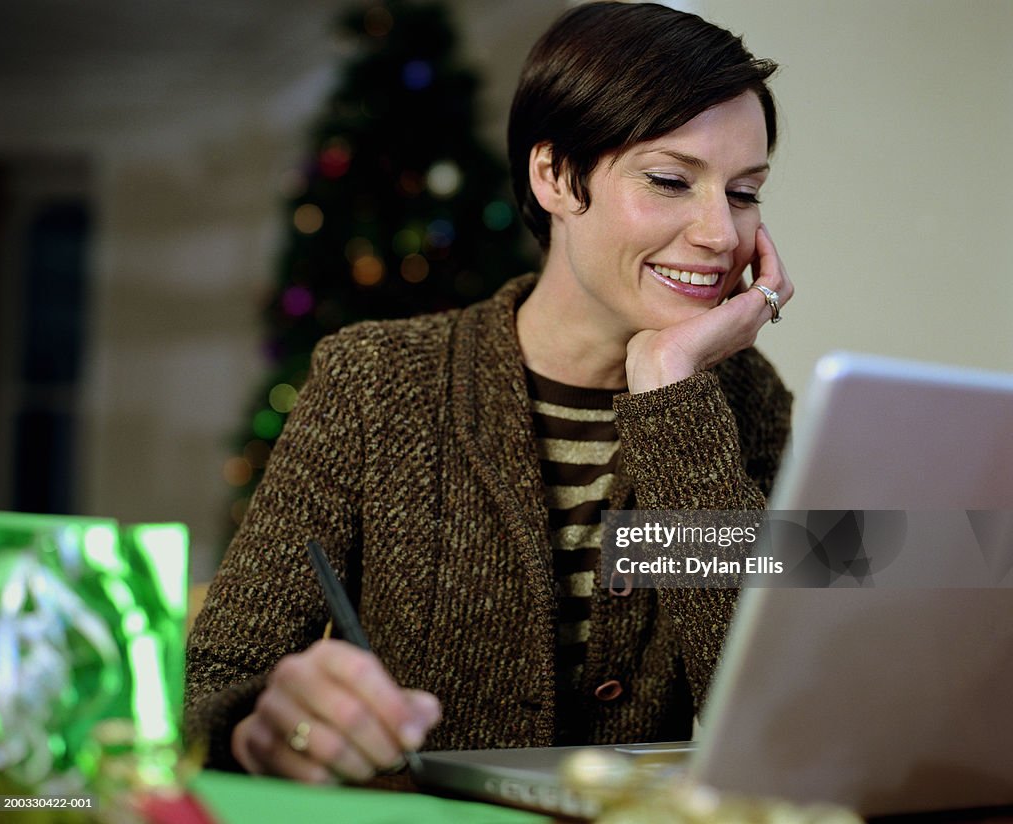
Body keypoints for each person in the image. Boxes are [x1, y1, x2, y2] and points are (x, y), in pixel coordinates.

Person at [186, 0, 793, 787]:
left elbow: (763, 706)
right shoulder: (375, 381)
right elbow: (211, 683)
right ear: (553, 176)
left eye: (744, 193)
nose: (721, 233)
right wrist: (264, 726)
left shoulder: (744, 401)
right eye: (672, 181)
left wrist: (673, 395)